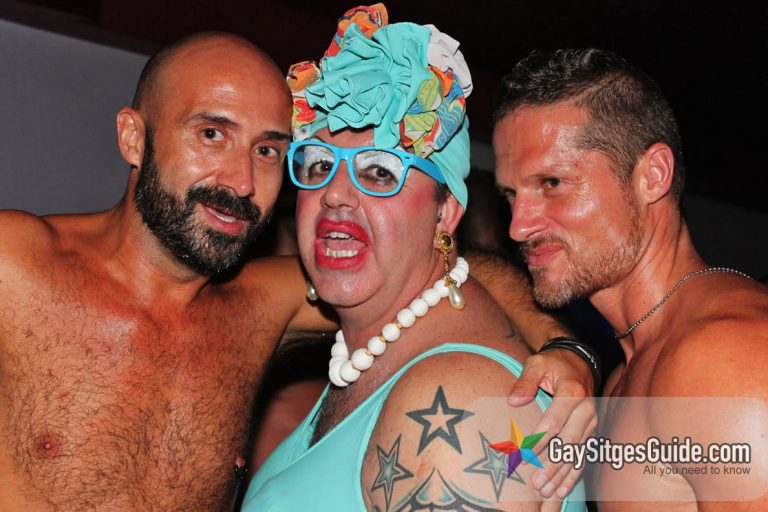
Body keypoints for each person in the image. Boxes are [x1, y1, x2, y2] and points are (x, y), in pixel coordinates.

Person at [0, 31, 590, 511]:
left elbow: (446, 271)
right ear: (133, 137)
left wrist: (563, 348)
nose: (241, 181)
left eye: (268, 151)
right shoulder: (15, 264)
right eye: (212, 134)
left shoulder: (259, 303)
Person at [242, 6, 588, 510]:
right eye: (317, 164)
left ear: (445, 212)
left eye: (380, 171)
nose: (335, 193)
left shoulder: (455, 405)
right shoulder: (372, 354)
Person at [493, 48, 768, 509]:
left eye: (553, 184)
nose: (518, 227)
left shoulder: (721, 360)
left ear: (652, 176)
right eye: (510, 195)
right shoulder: (627, 370)